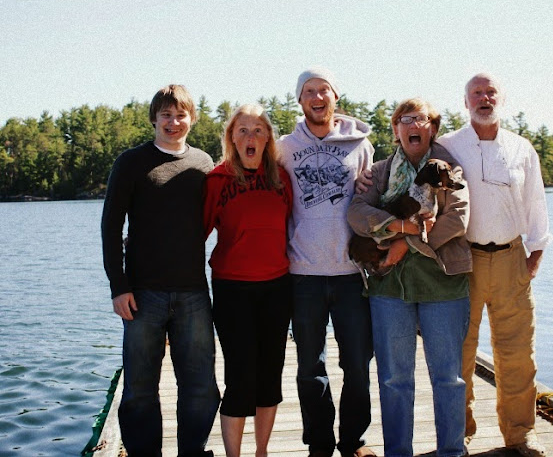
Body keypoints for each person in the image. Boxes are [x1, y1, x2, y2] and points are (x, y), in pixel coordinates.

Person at [437, 73, 553, 457]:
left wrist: (534, 252)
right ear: (465, 101)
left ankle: (520, 433)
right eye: (476, 93)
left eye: (491, 93)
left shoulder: (522, 148)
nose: (484, 99)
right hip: (462, 259)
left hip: (510, 258)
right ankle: (460, 434)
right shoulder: (448, 145)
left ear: (502, 99)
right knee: (460, 351)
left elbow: (535, 203)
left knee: (517, 351)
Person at [101, 84, 220, 457]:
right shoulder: (131, 162)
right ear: (154, 118)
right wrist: (117, 286)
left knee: (201, 386)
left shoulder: (204, 164)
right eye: (166, 115)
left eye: (180, 114)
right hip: (142, 294)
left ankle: (193, 451)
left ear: (192, 118)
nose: (173, 122)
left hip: (193, 293)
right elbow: (110, 226)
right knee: (139, 389)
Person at [348, 98, 471, 457]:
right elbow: (356, 213)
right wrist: (400, 227)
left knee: (448, 378)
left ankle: (451, 452)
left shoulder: (450, 169)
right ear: (396, 130)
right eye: (404, 120)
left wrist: (405, 243)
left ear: (432, 129)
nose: (412, 125)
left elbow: (458, 219)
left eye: (421, 119)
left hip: (443, 285)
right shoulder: (380, 172)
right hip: (389, 288)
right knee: (394, 380)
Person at [277, 67, 376, 457]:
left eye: (324, 90)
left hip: (352, 274)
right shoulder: (284, 147)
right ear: (300, 101)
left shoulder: (361, 145)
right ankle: (319, 444)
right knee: (309, 367)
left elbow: (371, 199)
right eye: (309, 92)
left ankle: (353, 442)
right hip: (303, 275)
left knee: (357, 365)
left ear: (336, 96)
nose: (317, 98)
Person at [203, 104, 293, 457]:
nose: (250, 136)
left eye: (258, 129)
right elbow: (195, 235)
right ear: (231, 138)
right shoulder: (217, 179)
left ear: (269, 137)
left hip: (277, 287)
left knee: (270, 376)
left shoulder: (282, 177)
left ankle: (261, 452)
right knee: (240, 377)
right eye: (242, 130)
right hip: (232, 289)